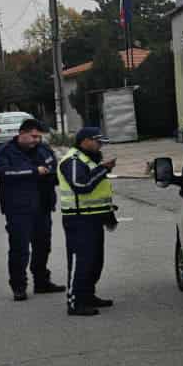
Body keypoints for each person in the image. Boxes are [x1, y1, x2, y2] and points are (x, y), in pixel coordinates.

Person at [0, 118, 63, 300]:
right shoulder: (5, 152)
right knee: (20, 249)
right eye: (33, 136)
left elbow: (54, 170)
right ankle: (19, 286)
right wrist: (33, 172)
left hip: (43, 206)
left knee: (43, 246)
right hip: (18, 208)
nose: (36, 140)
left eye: (39, 137)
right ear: (21, 133)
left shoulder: (44, 149)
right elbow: (2, 173)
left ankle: (42, 282)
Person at [56, 125, 117, 317]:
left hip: (94, 217)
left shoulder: (87, 159)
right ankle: (75, 302)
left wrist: (108, 214)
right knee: (81, 261)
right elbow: (81, 185)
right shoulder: (73, 160)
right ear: (85, 141)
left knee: (94, 261)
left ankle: (88, 295)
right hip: (79, 219)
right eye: (97, 142)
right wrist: (103, 169)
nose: (100, 146)